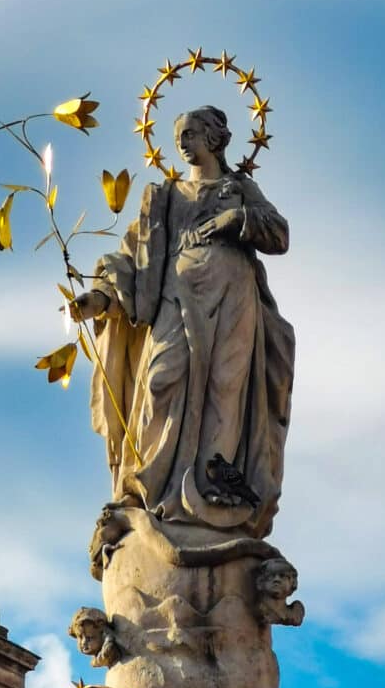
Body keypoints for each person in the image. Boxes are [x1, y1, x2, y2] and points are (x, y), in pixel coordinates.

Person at [71, 107, 294, 539]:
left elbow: (279, 234)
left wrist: (236, 219)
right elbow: (132, 256)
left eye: (191, 134)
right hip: (177, 298)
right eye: (178, 138)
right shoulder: (165, 197)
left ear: (214, 138)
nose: (183, 144)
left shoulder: (239, 188)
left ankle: (213, 485)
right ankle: (152, 489)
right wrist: (99, 297)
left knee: (227, 388)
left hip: (233, 299)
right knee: (160, 381)